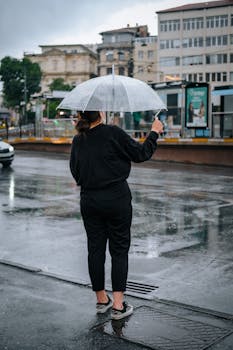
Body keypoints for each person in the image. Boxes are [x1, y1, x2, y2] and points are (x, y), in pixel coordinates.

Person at [70, 111, 163, 320]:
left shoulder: (78, 139)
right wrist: (154, 132)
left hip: (89, 200)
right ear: (100, 113)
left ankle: (102, 300)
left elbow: (75, 171)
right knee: (119, 250)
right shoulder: (113, 133)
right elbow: (141, 154)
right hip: (116, 199)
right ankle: (119, 306)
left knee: (95, 249)